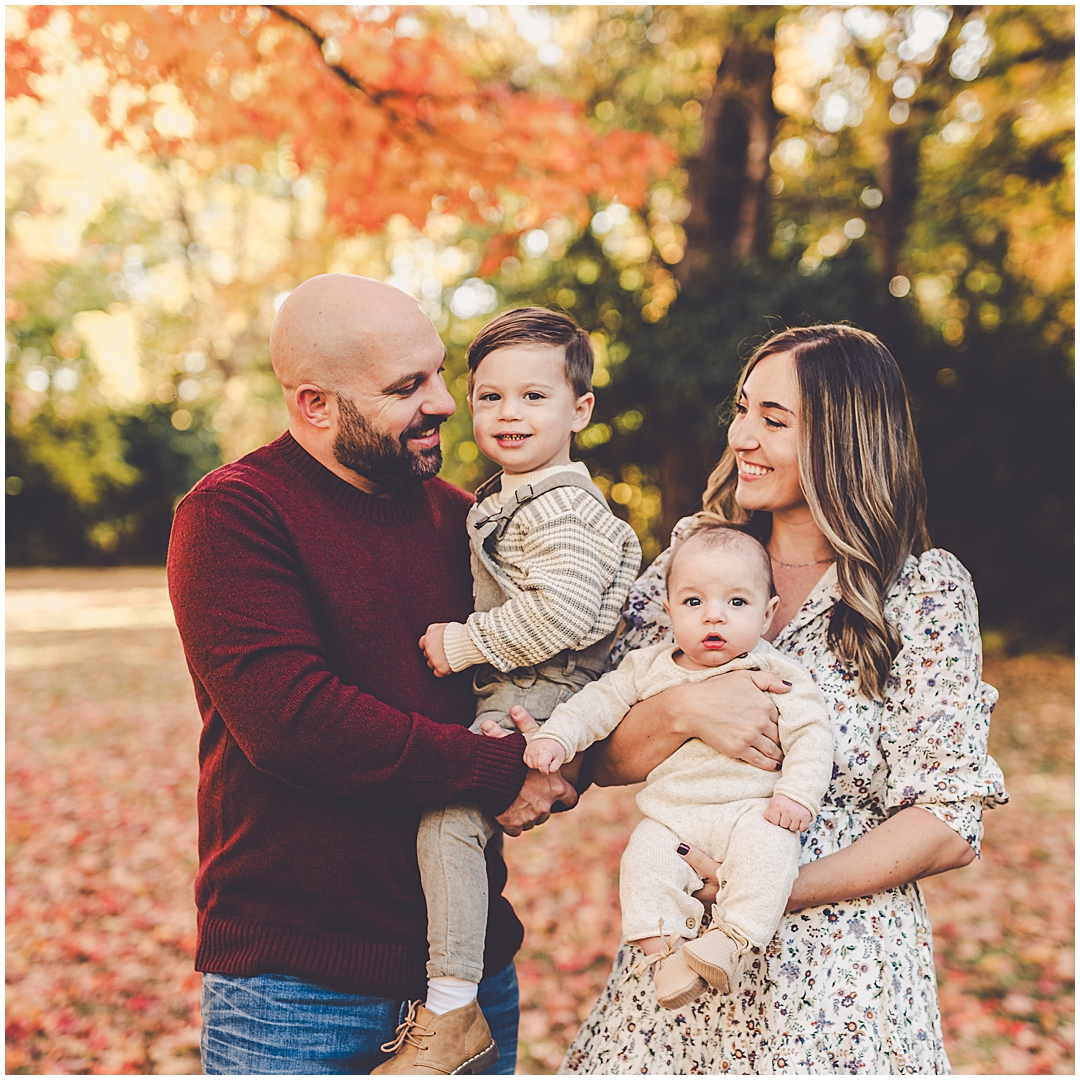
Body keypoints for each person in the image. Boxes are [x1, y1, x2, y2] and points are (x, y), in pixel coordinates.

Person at [559, 323, 1009, 1074]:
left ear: (846, 440)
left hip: (839, 984)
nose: (742, 436)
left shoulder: (921, 591)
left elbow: (947, 824)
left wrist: (765, 892)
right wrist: (684, 711)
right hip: (677, 997)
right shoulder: (698, 563)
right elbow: (601, 759)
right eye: (742, 410)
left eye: (774, 421)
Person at [166, 274, 580, 1075]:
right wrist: (498, 773)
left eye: (436, 373)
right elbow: (295, 723)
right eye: (407, 387)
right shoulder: (234, 515)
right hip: (296, 990)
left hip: (470, 979)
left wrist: (560, 755)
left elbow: (548, 672)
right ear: (316, 404)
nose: (446, 404)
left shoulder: (471, 521)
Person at [373, 308, 641, 1074]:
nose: (508, 415)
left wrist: (462, 644)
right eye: (489, 397)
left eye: (533, 397)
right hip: (529, 688)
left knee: (449, 822)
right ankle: (453, 999)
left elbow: (561, 610)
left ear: (579, 409)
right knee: (450, 823)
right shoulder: (515, 496)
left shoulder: (559, 505)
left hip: (544, 692)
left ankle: (452, 1007)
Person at [506, 523, 833, 1010]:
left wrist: (796, 795)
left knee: (769, 852)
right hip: (673, 817)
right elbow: (597, 703)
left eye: (736, 604)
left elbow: (812, 733)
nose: (713, 617)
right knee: (643, 861)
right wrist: (557, 735)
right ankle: (664, 960)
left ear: (768, 615)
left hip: (752, 809)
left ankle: (731, 941)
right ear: (669, 608)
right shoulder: (649, 667)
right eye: (694, 602)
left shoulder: (778, 672)